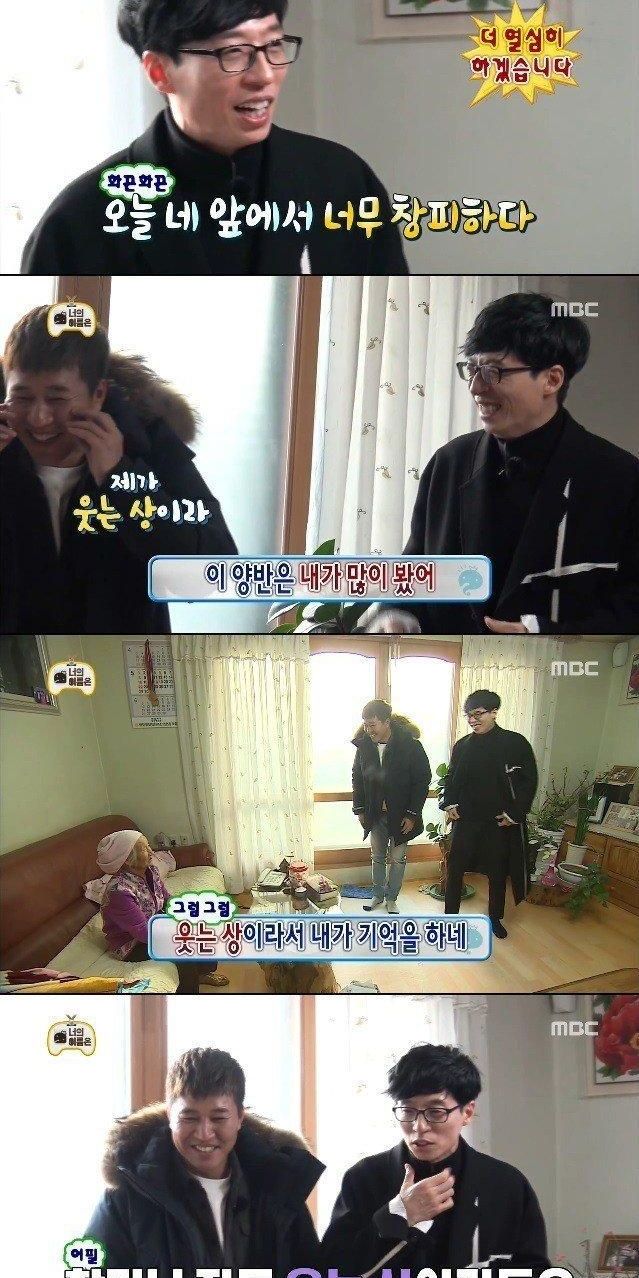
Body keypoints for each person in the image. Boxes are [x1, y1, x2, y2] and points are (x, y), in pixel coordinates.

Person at [21, 0, 408, 276]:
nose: (264, 75)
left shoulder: (342, 179)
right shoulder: (78, 222)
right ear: (159, 72)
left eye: (274, 45)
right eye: (233, 52)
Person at [362, 293, 639, 636]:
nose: (476, 387)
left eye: (493, 371)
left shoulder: (621, 479)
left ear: (552, 379)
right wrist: (396, 614)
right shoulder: (448, 464)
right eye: (472, 369)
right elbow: (415, 575)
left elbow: (631, 607)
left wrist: (540, 634)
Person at [0, 306, 237, 633]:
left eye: (57, 399)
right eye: (22, 398)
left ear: (98, 394)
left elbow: (212, 574)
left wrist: (121, 480)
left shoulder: (147, 447)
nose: (39, 418)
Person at [86, 1046, 324, 1278]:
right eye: (189, 1118)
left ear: (240, 1117)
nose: (204, 1134)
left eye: (218, 1118)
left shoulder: (279, 1190)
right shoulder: (126, 1198)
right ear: (169, 1115)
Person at [320, 1043, 550, 1278]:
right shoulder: (364, 1177)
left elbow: (534, 1268)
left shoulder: (506, 1184)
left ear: (467, 1112)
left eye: (436, 1112)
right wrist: (398, 1215)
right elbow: (331, 1267)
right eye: (407, 1111)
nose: (419, 1127)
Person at [441, 690, 538, 939]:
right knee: (455, 869)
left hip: (499, 822)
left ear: (494, 712)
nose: (472, 720)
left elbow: (529, 782)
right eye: (468, 716)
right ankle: (449, 918)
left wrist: (514, 814)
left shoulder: (515, 743)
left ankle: (494, 918)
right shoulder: (462, 746)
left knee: (497, 872)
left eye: (478, 714)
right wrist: (449, 803)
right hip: (466, 820)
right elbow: (451, 778)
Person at [97, 830, 228, 993]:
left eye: (148, 846)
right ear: (128, 861)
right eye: (144, 849)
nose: (151, 851)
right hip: (132, 943)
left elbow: (165, 898)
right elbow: (143, 932)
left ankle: (201, 973)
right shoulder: (119, 891)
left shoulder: (150, 870)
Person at [352, 699, 431, 914]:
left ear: (386, 722)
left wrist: (412, 815)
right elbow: (357, 777)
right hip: (375, 814)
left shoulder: (410, 746)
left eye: (373, 725)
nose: (369, 730)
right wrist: (360, 809)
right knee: (377, 857)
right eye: (366, 725)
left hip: (402, 815)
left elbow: (422, 780)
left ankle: (392, 898)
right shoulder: (365, 746)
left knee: (397, 859)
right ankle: (377, 895)